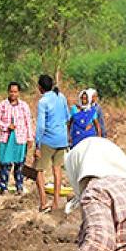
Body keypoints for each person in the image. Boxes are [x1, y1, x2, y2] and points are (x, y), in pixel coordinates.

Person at [33, 74, 72, 213]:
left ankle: (43, 202)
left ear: (40, 87)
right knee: (57, 170)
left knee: (39, 170)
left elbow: (41, 126)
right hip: (61, 139)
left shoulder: (43, 102)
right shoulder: (61, 97)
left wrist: (37, 145)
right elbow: (68, 117)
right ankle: (56, 201)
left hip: (47, 140)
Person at [0, 81, 33, 195]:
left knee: (19, 164)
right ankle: (3, 186)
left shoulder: (24, 106)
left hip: (20, 138)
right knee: (5, 164)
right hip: (6, 138)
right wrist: (6, 126)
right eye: (11, 91)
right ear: (8, 92)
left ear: (18, 93)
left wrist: (30, 138)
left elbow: (28, 121)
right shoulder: (2, 105)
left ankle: (19, 186)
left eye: (15, 92)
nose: (13, 94)